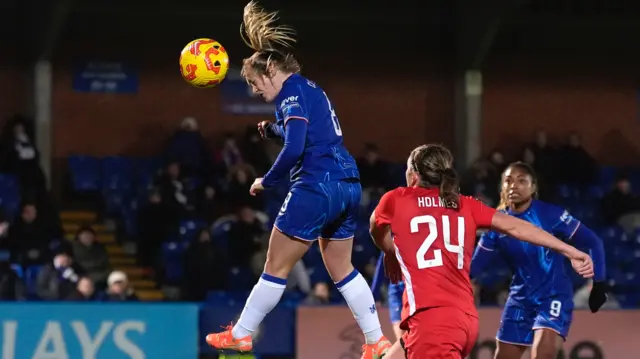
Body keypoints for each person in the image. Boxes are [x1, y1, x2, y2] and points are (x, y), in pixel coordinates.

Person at [205, 2, 391, 358]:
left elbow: (294, 149)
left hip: (316, 184)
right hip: (347, 185)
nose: (255, 90)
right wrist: (274, 129)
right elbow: (313, 131)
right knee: (342, 267)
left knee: (275, 265)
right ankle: (375, 339)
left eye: (255, 82)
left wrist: (267, 180)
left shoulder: (290, 92)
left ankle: (242, 334)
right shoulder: (309, 88)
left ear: (271, 68)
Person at [368, 144, 594, 359]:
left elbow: (375, 229)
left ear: (414, 174)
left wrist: (390, 253)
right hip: (462, 320)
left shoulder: (396, 199)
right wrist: (569, 250)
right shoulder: (465, 205)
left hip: (431, 321)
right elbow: (517, 226)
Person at [469, 161, 607, 359]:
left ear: (533, 188)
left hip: (553, 295)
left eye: (521, 181)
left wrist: (599, 284)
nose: (513, 186)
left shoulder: (551, 215)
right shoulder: (496, 225)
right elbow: (473, 269)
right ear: (502, 187)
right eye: (508, 181)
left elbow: (594, 241)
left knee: (543, 354)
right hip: (520, 298)